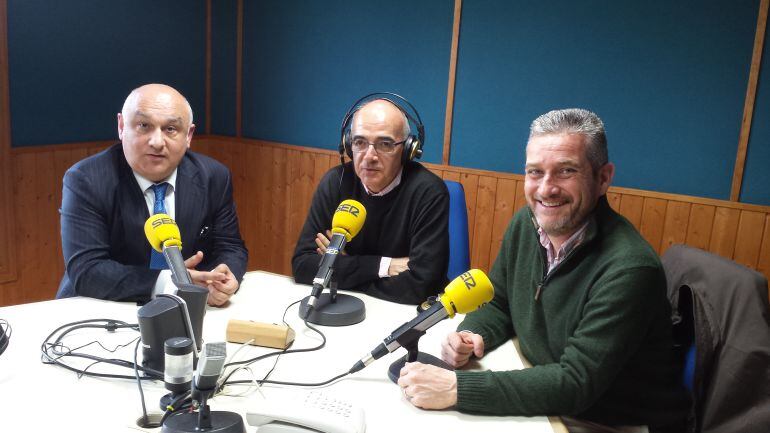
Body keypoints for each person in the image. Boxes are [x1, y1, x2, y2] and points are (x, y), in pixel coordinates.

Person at [397, 109, 689, 432]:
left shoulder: (630, 268)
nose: (546, 189)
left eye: (566, 171)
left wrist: (456, 389)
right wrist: (473, 333)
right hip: (544, 385)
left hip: (605, 419)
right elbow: (498, 301)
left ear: (603, 178)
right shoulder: (526, 224)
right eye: (535, 172)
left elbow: (575, 383)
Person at [57, 84, 247, 306]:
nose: (157, 142)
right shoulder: (87, 179)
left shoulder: (213, 177)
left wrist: (224, 275)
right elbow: (88, 270)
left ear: (189, 136)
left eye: (170, 129)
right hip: (99, 308)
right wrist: (171, 282)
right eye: (144, 125)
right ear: (121, 126)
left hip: (187, 307)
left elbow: (230, 246)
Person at [291, 94, 449, 304]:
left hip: (402, 314)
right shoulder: (335, 182)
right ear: (348, 145)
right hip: (343, 304)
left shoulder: (429, 192)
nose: (369, 156)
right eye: (360, 142)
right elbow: (303, 266)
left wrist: (338, 268)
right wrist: (383, 266)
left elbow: (421, 286)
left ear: (408, 149)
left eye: (385, 144)